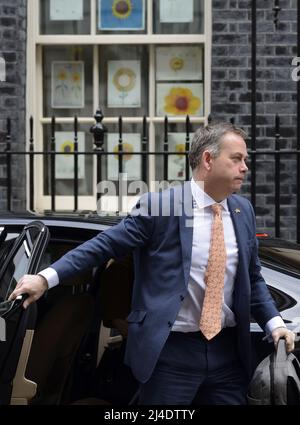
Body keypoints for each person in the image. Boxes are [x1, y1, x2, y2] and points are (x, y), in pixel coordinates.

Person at [10, 122, 295, 405]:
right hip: (170, 355)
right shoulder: (161, 207)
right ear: (208, 159)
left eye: (245, 160)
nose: (245, 167)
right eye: (237, 159)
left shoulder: (242, 210)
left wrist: (274, 323)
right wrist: (45, 278)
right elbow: (104, 245)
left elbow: (253, 278)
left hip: (228, 354)